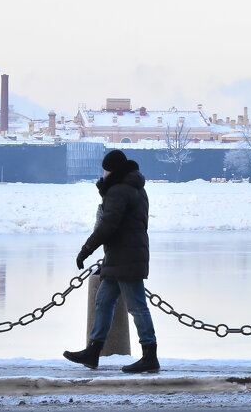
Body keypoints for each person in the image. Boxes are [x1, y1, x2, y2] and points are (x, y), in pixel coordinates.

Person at [63, 149, 159, 373]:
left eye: (105, 170)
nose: (103, 174)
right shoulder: (134, 188)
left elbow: (108, 226)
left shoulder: (119, 190)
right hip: (122, 256)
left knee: (137, 307)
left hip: (125, 258)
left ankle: (149, 355)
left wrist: (86, 249)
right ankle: (93, 351)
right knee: (103, 302)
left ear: (111, 170)